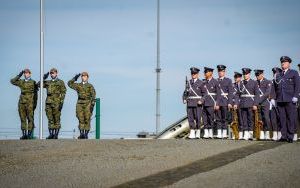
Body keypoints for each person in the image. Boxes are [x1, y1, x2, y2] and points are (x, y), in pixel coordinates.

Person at [275, 56, 300, 143]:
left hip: (290, 99)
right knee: (282, 118)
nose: (283, 63)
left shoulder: (294, 73)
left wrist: (296, 96)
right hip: (280, 99)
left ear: (289, 63)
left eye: (285, 62)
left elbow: (297, 85)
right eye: (282, 62)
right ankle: (283, 136)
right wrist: (275, 99)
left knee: (290, 118)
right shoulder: (278, 74)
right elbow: (276, 88)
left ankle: (290, 136)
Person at [10, 69, 38, 139]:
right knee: (22, 118)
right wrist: (19, 75)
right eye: (25, 73)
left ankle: (29, 134)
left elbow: (36, 94)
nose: (26, 74)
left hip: (30, 102)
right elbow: (12, 81)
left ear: (30, 74)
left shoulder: (33, 82)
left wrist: (35, 104)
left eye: (27, 73)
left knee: (30, 118)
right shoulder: (21, 81)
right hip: (22, 102)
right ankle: (24, 134)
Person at [68, 72, 96, 139]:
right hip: (80, 103)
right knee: (80, 118)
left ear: (87, 77)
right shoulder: (78, 85)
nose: (83, 77)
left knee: (87, 118)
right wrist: (75, 78)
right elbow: (69, 84)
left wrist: (92, 105)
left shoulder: (90, 86)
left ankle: (86, 134)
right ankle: (81, 134)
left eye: (85, 76)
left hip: (87, 103)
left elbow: (93, 95)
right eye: (82, 76)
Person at [40, 68, 66, 139]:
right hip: (48, 102)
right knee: (50, 118)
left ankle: (56, 134)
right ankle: (51, 134)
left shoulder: (60, 82)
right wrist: (43, 78)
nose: (52, 74)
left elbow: (63, 92)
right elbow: (38, 85)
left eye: (53, 73)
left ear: (56, 73)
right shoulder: (48, 82)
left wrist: (61, 102)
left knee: (56, 118)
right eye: (51, 73)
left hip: (57, 102)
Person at [183, 67, 205, 139]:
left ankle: (198, 131)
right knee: (190, 118)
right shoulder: (189, 82)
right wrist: (184, 99)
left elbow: (204, 94)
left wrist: (201, 101)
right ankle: (192, 132)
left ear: (197, 74)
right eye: (192, 73)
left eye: (194, 73)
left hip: (197, 103)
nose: (193, 75)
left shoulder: (201, 83)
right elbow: (185, 92)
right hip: (190, 103)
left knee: (198, 118)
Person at [239, 68, 259, 140]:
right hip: (243, 103)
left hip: (251, 103)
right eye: (244, 74)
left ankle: (250, 134)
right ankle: (246, 133)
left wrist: (255, 104)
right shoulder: (241, 83)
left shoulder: (254, 82)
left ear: (249, 74)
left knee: (250, 119)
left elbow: (257, 94)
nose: (245, 75)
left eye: (246, 74)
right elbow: (238, 94)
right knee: (244, 119)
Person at [215, 65, 234, 139]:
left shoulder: (228, 80)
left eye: (222, 71)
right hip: (218, 102)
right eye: (219, 71)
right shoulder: (216, 81)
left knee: (225, 118)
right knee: (218, 118)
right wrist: (216, 103)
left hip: (225, 101)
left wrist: (229, 102)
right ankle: (219, 133)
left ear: (224, 72)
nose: (220, 73)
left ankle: (224, 133)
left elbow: (230, 92)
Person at [202, 67, 221, 139]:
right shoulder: (203, 82)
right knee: (204, 118)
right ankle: (206, 132)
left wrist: (217, 103)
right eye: (205, 72)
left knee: (211, 118)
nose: (205, 74)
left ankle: (210, 132)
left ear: (210, 73)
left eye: (206, 72)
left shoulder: (215, 82)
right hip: (204, 103)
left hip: (211, 102)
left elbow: (218, 94)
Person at [254, 69, 272, 140]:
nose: (257, 76)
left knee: (266, 118)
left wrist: (258, 100)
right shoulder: (255, 82)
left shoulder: (268, 82)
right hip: (257, 103)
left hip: (265, 102)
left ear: (262, 74)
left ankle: (267, 133)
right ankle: (261, 133)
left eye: (258, 75)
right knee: (259, 119)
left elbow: (267, 93)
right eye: (256, 75)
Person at [269, 67, 282, 141]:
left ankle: (280, 134)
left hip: (280, 101)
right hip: (273, 102)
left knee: (280, 118)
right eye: (274, 73)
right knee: (273, 119)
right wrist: (272, 99)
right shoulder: (272, 81)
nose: (275, 74)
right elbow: (271, 91)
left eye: (276, 72)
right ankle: (275, 134)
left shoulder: (280, 81)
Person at [232, 72, 243, 139]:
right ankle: (235, 133)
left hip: (241, 104)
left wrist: (237, 103)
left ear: (240, 78)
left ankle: (241, 133)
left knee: (241, 119)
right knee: (234, 119)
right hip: (234, 104)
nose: (235, 79)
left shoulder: (242, 85)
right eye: (235, 77)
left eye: (237, 77)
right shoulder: (233, 85)